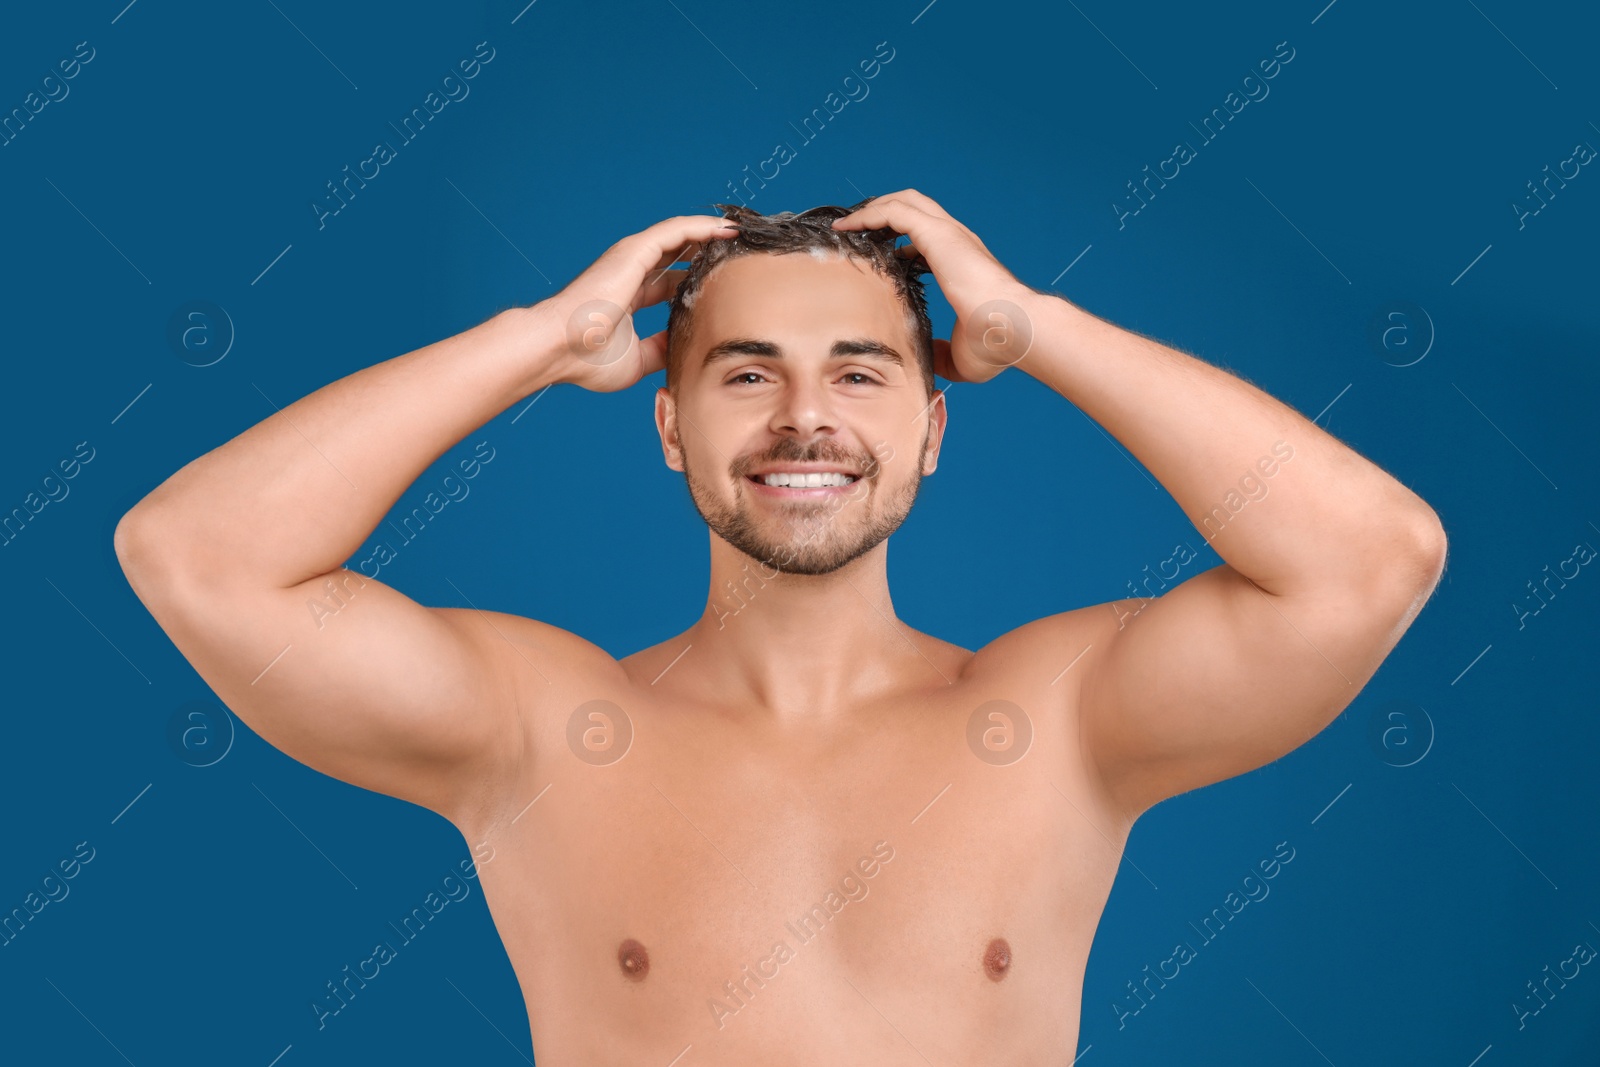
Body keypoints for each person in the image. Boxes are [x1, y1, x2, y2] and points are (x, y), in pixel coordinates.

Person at [114, 189, 1447, 1063]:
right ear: (670, 423)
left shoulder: (1064, 721)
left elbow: (1373, 559)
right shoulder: (536, 730)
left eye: (859, 373)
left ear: (929, 431)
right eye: (746, 374)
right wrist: (539, 336)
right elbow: (199, 555)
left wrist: (1032, 327)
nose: (805, 419)